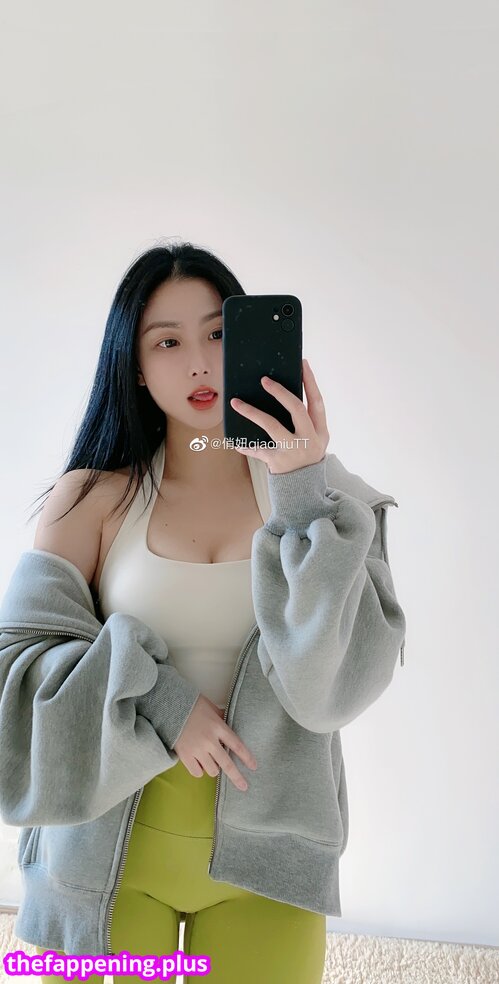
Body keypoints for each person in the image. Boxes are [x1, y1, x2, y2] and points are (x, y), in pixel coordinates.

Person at [0, 242, 406, 984]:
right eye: (167, 342)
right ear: (133, 365)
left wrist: (301, 486)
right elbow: (16, 672)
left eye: (218, 333)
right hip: (98, 865)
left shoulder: (331, 507)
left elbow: (327, 690)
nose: (198, 363)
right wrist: (160, 698)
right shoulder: (89, 499)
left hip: (271, 869)